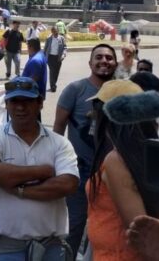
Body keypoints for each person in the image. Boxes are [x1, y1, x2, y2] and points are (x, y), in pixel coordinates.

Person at [0, 77, 79, 260]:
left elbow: (68, 185)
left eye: (27, 101)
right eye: (14, 101)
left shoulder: (59, 143)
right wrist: (44, 172)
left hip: (50, 246)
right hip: (4, 246)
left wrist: (18, 190)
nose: (20, 107)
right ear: (6, 104)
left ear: (40, 103)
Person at [87, 81, 159, 260]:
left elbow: (142, 231)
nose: (92, 116)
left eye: (96, 111)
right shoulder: (157, 156)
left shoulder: (115, 161)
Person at [53, 44, 118, 257]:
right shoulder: (75, 90)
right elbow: (58, 130)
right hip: (78, 177)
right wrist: (58, 167)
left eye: (109, 58)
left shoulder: (121, 93)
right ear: (90, 63)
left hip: (110, 180)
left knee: (101, 233)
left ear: (114, 63)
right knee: (72, 231)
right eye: (99, 57)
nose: (104, 61)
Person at [43, 26, 67, 92]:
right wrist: (43, 57)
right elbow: (45, 48)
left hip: (58, 58)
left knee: (56, 72)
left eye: (56, 32)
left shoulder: (61, 38)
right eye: (54, 32)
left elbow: (65, 48)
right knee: (52, 71)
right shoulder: (49, 38)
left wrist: (63, 55)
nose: (55, 33)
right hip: (50, 57)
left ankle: (53, 84)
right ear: (52, 32)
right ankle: (53, 86)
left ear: (58, 31)